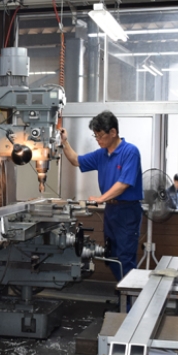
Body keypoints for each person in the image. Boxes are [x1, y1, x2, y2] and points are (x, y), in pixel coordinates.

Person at [60, 111, 143, 282]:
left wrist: (100, 198)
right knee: (110, 254)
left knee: (125, 257)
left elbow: (124, 183)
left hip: (127, 211)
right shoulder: (101, 154)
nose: (98, 140)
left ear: (113, 132)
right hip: (111, 210)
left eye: (100, 136)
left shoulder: (130, 152)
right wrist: (64, 142)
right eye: (95, 136)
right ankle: (123, 291)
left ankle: (129, 297)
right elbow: (76, 160)